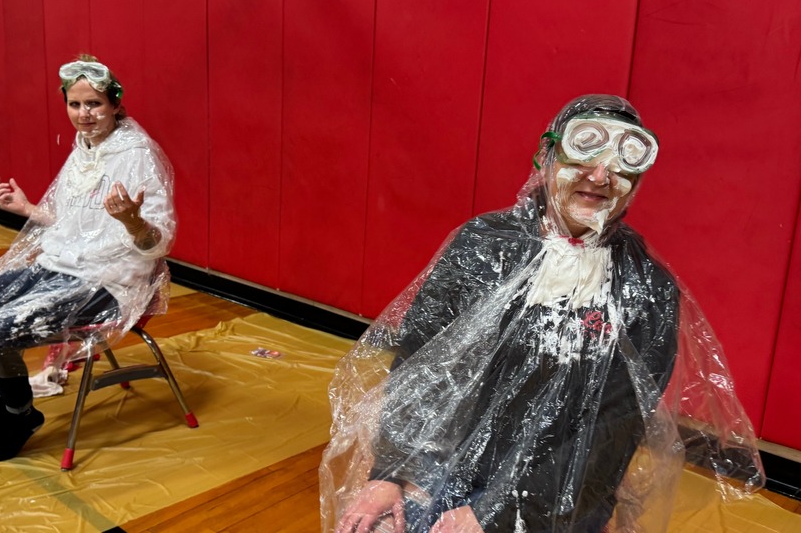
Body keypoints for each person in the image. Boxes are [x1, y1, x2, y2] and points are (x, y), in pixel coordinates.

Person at [321, 95, 763, 533]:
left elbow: (611, 432)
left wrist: (496, 513)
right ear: (547, 159)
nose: (600, 176)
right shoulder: (482, 246)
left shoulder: (647, 289)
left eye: (621, 164)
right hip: (445, 465)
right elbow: (420, 366)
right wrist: (387, 473)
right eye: (585, 153)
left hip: (559, 491)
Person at [0, 56, 176, 463]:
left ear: (115, 105)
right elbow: (74, 224)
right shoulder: (84, 150)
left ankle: (14, 415)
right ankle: (9, 411)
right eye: (75, 104)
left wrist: (133, 220)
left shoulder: (138, 155)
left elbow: (157, 244)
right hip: (57, 267)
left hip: (108, 281)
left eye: (94, 104)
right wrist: (29, 208)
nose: (83, 115)